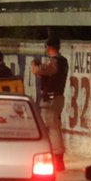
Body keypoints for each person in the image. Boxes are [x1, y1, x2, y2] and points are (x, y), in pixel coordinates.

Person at [32, 37, 69, 171]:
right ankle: (57, 158)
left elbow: (37, 70)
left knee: (52, 129)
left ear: (49, 47)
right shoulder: (63, 61)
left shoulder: (54, 62)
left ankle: (57, 159)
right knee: (54, 127)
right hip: (56, 98)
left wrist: (34, 64)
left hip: (51, 99)